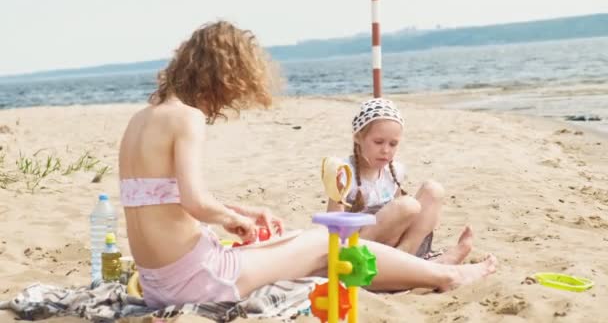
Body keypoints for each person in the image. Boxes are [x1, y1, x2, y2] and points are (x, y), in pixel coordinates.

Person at [118, 20, 497, 309]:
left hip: (158, 282)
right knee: (329, 243)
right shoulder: (187, 117)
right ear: (220, 75)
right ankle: (447, 275)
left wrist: (243, 210)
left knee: (300, 243)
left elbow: (160, 198)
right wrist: (233, 221)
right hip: (199, 278)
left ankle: (429, 269)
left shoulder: (141, 119)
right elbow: (195, 202)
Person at [327, 98, 474, 265]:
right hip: (360, 249)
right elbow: (333, 228)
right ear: (358, 138)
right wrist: (336, 192)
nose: (385, 150)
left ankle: (407, 259)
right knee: (407, 205)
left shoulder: (395, 170)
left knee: (433, 190)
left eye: (393, 144)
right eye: (378, 142)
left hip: (395, 247)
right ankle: (410, 265)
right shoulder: (345, 172)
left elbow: (400, 216)